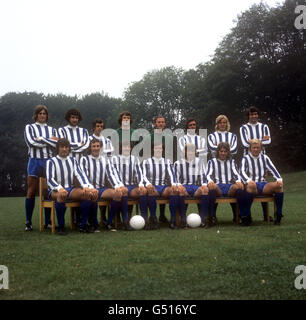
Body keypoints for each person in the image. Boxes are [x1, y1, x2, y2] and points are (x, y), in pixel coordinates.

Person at [46, 138, 98, 235]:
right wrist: (59, 188)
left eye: (66, 147)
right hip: (55, 190)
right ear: (58, 148)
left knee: (86, 193)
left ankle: (83, 225)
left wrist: (88, 187)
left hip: (70, 189)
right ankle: (61, 227)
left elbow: (80, 174)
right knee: (61, 195)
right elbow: (50, 179)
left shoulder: (73, 160)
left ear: (69, 149)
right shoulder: (51, 161)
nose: (64, 149)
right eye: (62, 147)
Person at [79, 139, 129, 232]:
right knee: (92, 194)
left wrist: (117, 187)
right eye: (94, 146)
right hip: (89, 188)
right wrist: (91, 188)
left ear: (100, 148)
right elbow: (83, 175)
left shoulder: (105, 160)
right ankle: (94, 223)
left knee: (118, 194)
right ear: (90, 148)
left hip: (102, 189)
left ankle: (109, 223)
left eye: (98, 146)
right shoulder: (84, 159)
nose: (96, 148)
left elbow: (110, 174)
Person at [24, 105, 58, 231]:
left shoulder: (53, 130)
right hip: (34, 161)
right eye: (40, 113)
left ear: (47, 115)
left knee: (47, 192)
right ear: (36, 115)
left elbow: (56, 144)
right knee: (31, 190)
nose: (42, 115)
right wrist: (48, 141)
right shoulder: (29, 127)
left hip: (48, 161)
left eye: (44, 113)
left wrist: (42, 139)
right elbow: (30, 142)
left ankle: (48, 221)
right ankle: (28, 221)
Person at [240, 139, 284, 225]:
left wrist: (279, 179)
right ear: (250, 148)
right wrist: (249, 181)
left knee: (279, 186)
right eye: (254, 148)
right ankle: (248, 216)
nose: (256, 149)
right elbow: (241, 172)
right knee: (251, 185)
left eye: (258, 148)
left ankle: (278, 214)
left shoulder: (265, 158)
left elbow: (273, 169)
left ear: (261, 149)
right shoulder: (246, 158)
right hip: (252, 186)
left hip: (264, 185)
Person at [239, 106, 272, 220]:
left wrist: (252, 141)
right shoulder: (243, 128)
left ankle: (266, 215)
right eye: (251, 114)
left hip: (262, 159)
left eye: (255, 114)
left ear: (258, 115)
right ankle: (247, 214)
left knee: (264, 184)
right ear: (248, 116)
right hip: (247, 159)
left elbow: (268, 141)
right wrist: (260, 140)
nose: (254, 116)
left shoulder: (264, 126)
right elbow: (244, 143)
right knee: (248, 186)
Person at [111, 141, 148, 229]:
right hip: (120, 186)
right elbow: (114, 173)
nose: (127, 148)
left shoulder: (135, 159)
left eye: (129, 147)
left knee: (143, 191)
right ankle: (125, 221)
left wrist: (140, 184)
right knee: (124, 192)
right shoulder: (115, 159)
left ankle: (144, 220)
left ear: (131, 148)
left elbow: (139, 173)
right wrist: (120, 185)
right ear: (121, 148)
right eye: (125, 147)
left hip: (132, 186)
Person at [206, 142, 245, 226]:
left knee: (239, 188)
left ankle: (239, 215)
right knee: (212, 188)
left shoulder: (232, 161)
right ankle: (212, 216)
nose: (223, 153)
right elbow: (208, 174)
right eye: (221, 151)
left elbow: (236, 174)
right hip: (218, 187)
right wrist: (210, 181)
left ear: (228, 152)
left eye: (225, 151)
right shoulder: (212, 162)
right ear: (218, 152)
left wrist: (238, 181)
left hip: (229, 187)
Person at [142, 142, 179, 229]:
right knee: (150, 192)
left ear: (162, 150)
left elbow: (171, 174)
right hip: (152, 186)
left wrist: (173, 184)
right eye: (156, 148)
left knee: (173, 191)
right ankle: (153, 218)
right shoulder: (146, 161)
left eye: (160, 148)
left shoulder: (167, 161)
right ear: (153, 149)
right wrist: (148, 184)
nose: (158, 150)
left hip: (163, 187)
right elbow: (144, 176)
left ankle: (172, 219)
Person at [208, 115, 238, 221]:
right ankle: (212, 216)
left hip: (229, 163)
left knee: (237, 187)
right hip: (216, 164)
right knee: (213, 188)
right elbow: (212, 148)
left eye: (224, 122)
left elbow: (234, 150)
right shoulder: (211, 136)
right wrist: (223, 148)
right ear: (217, 124)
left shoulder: (233, 136)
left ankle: (237, 215)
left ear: (227, 123)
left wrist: (221, 147)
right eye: (220, 122)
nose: (222, 124)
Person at [174, 143, 210, 228]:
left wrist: (204, 185)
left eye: (192, 151)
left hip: (195, 187)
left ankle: (203, 219)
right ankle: (183, 219)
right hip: (184, 186)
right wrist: (179, 185)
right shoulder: (178, 163)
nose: (190, 153)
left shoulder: (199, 162)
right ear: (185, 152)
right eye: (188, 151)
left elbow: (203, 176)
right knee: (180, 191)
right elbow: (175, 178)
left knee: (205, 190)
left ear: (195, 152)